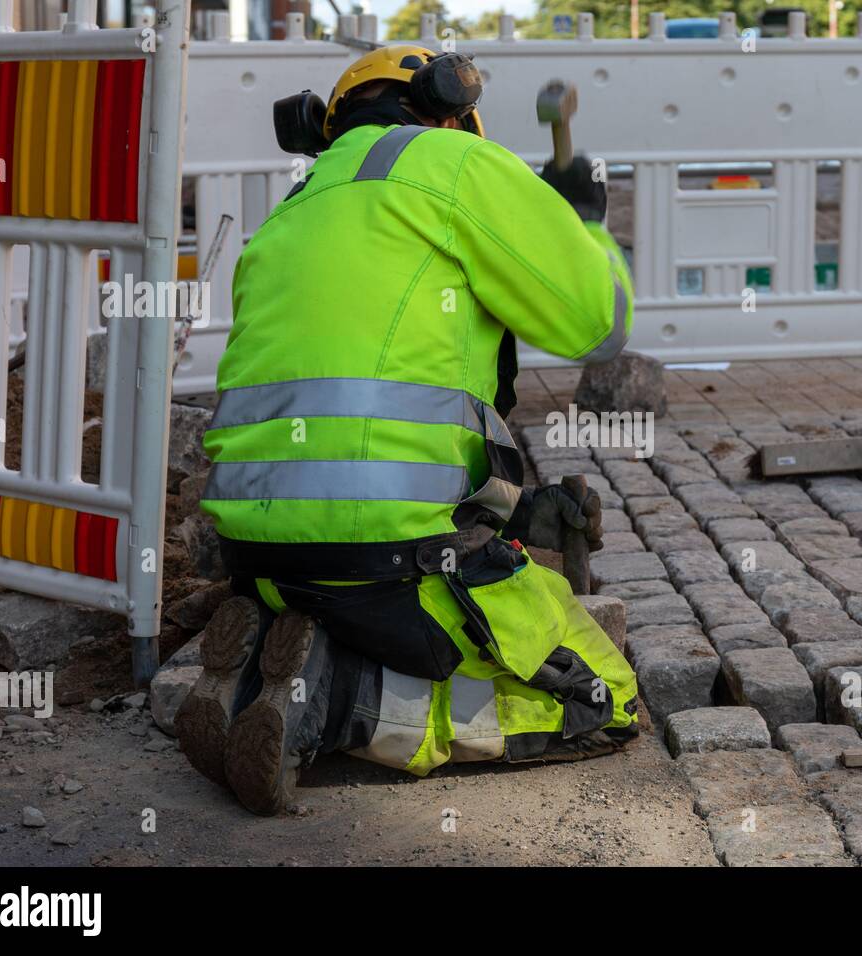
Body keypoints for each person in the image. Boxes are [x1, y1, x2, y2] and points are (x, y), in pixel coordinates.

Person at [176, 45, 638, 816]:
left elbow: (377, 413)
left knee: (361, 592)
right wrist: (583, 222)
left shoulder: (293, 209)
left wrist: (516, 513)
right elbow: (600, 324)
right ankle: (332, 705)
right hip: (386, 561)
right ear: (449, 112)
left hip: (258, 556)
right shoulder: (453, 161)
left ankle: (269, 658)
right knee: (601, 696)